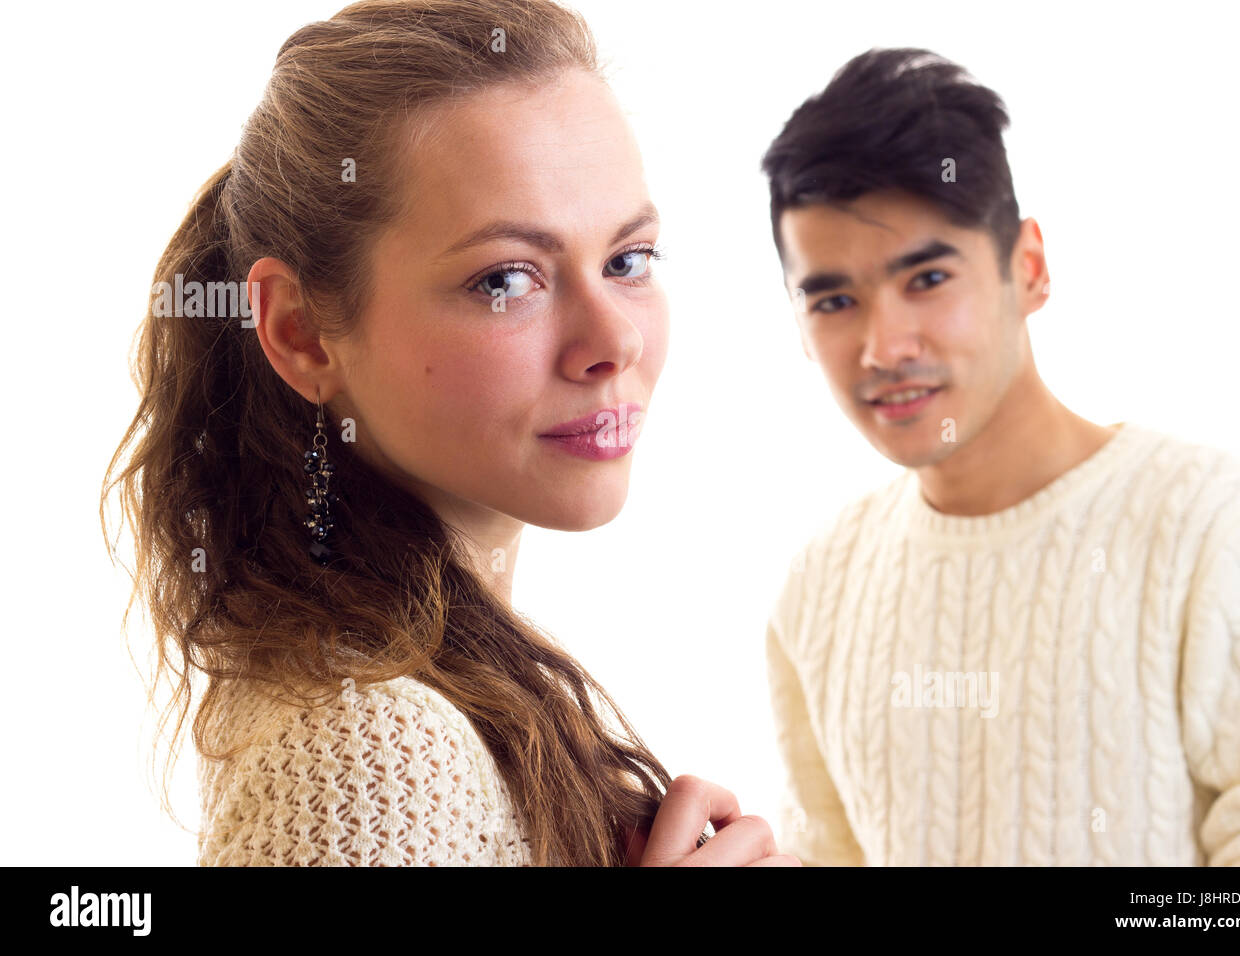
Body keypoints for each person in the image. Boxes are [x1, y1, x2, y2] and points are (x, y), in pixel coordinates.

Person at [101, 0, 796, 868]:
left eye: (628, 260)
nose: (614, 339)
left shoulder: (437, 696)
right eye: (508, 279)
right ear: (302, 332)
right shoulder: (368, 748)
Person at [759, 47, 1240, 866]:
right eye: (834, 300)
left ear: (1030, 268)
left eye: (928, 278)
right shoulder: (819, 586)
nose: (883, 346)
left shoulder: (1211, 529)